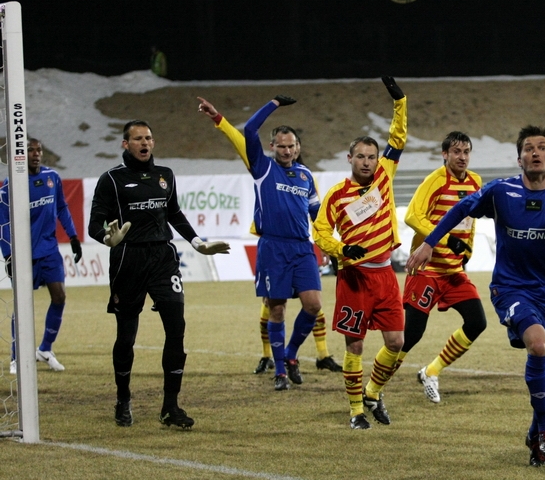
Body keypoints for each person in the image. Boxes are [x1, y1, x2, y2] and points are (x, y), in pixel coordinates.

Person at [405, 125, 545, 466]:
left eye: (542, 147)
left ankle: (535, 433)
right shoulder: (500, 191)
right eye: (528, 148)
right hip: (511, 288)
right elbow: (460, 209)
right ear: (519, 158)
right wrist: (429, 243)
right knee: (539, 346)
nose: (535, 153)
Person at [88, 120, 230, 428]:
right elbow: (94, 223)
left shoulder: (166, 175)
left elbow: (174, 213)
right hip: (128, 260)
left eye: (148, 138)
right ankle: (123, 398)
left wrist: (197, 243)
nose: (144, 143)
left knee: (176, 328)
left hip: (164, 259)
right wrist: (107, 238)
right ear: (125, 144)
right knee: (126, 336)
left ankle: (170, 407)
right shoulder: (111, 179)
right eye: (138, 138)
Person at [196, 96, 341, 377]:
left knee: (314, 305)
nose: (287, 151)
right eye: (281, 146)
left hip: (302, 247)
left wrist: (330, 245)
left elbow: (317, 214)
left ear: (298, 147)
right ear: (272, 146)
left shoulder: (305, 175)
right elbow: (249, 131)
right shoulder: (262, 167)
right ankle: (278, 368)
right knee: (275, 309)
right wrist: (273, 103)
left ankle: (292, 354)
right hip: (273, 247)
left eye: (291, 146)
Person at [312, 76, 407, 430]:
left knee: (396, 342)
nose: (367, 162)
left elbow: (397, 138)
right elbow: (320, 231)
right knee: (355, 347)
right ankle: (355, 411)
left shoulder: (384, 175)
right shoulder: (336, 195)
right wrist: (341, 249)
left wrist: (400, 102)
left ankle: (372, 392)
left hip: (385, 275)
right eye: (361, 157)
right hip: (354, 278)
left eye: (371, 157)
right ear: (349, 158)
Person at [395, 131, 486, 403]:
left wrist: (467, 249)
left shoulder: (475, 181)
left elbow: (471, 220)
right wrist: (447, 240)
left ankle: (431, 371)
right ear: (445, 154)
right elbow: (412, 216)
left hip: (453, 271)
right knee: (412, 334)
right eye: (456, 152)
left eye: (466, 152)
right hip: (427, 270)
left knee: (477, 322)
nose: (462, 157)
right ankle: (376, 386)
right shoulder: (435, 180)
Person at [0, 138, 83, 374]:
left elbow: (62, 207)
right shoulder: (10, 184)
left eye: (39, 150)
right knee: (22, 304)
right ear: (21, 154)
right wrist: (8, 255)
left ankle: (45, 349)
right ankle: (16, 357)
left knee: (59, 296)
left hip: (49, 250)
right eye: (30, 150)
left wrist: (73, 236)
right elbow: (3, 221)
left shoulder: (52, 177)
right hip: (23, 254)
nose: (36, 154)